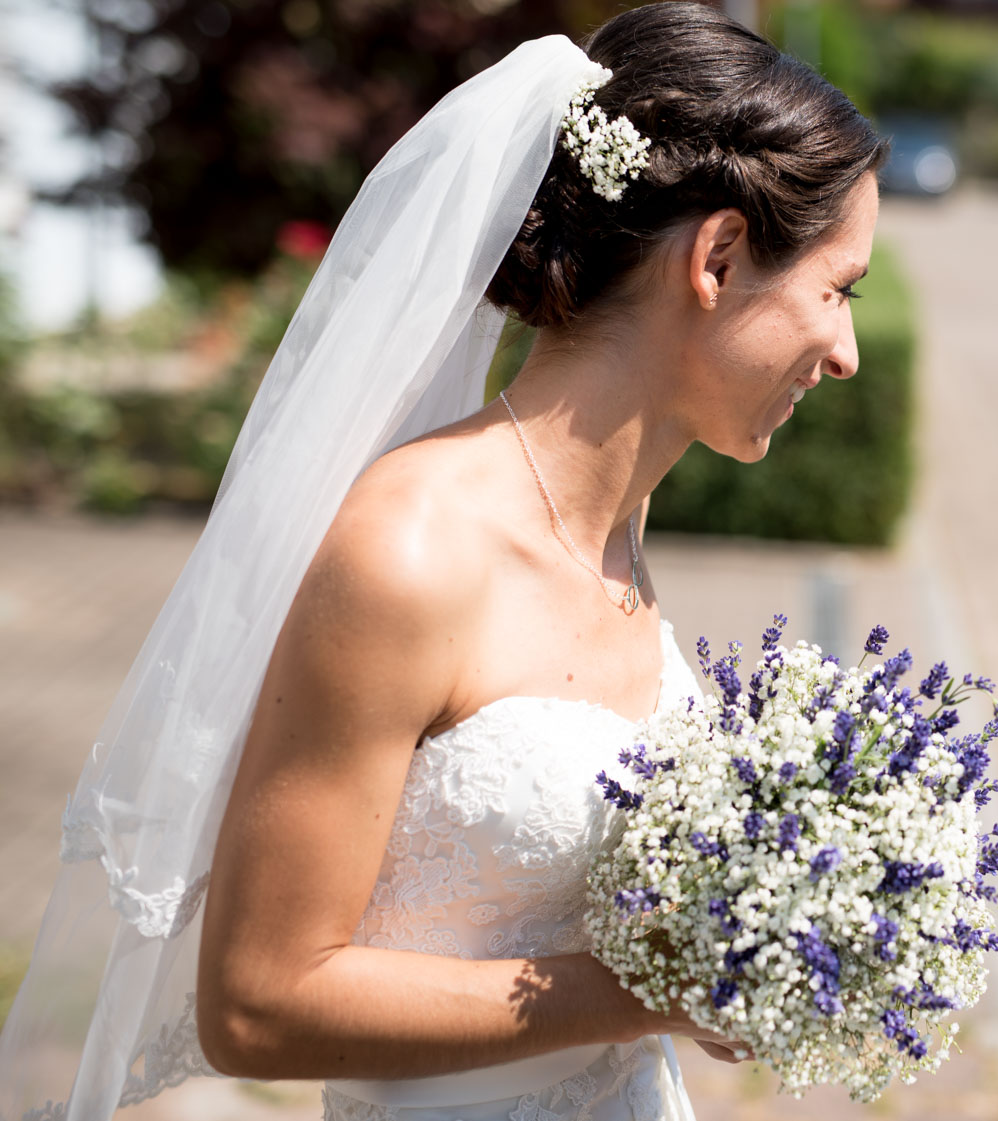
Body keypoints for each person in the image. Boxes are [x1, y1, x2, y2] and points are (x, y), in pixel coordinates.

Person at [0, 5, 885, 1120]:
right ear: (715, 258)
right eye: (836, 290)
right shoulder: (410, 551)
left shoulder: (619, 527)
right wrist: (650, 989)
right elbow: (258, 1004)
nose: (847, 353)